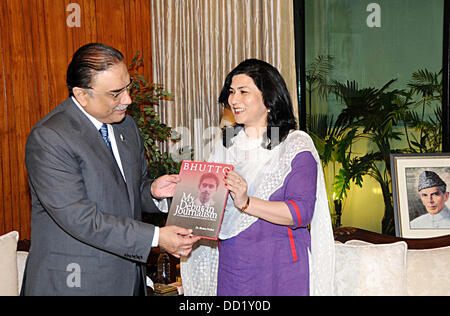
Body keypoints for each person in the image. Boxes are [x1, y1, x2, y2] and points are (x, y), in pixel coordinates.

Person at [22, 43, 200, 296]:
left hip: (127, 280)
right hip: (75, 283)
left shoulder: (125, 126)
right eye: (116, 93)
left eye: (127, 87)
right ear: (82, 95)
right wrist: (156, 237)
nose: (127, 100)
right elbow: (80, 218)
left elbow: (127, 192)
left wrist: (152, 191)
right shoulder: (51, 138)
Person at [181, 59, 335, 296]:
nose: (234, 99)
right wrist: (179, 192)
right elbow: (203, 209)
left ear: (270, 99)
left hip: (281, 267)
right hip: (234, 265)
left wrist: (246, 202)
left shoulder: (294, 144)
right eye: (232, 92)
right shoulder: (225, 145)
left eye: (244, 91)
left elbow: (300, 213)